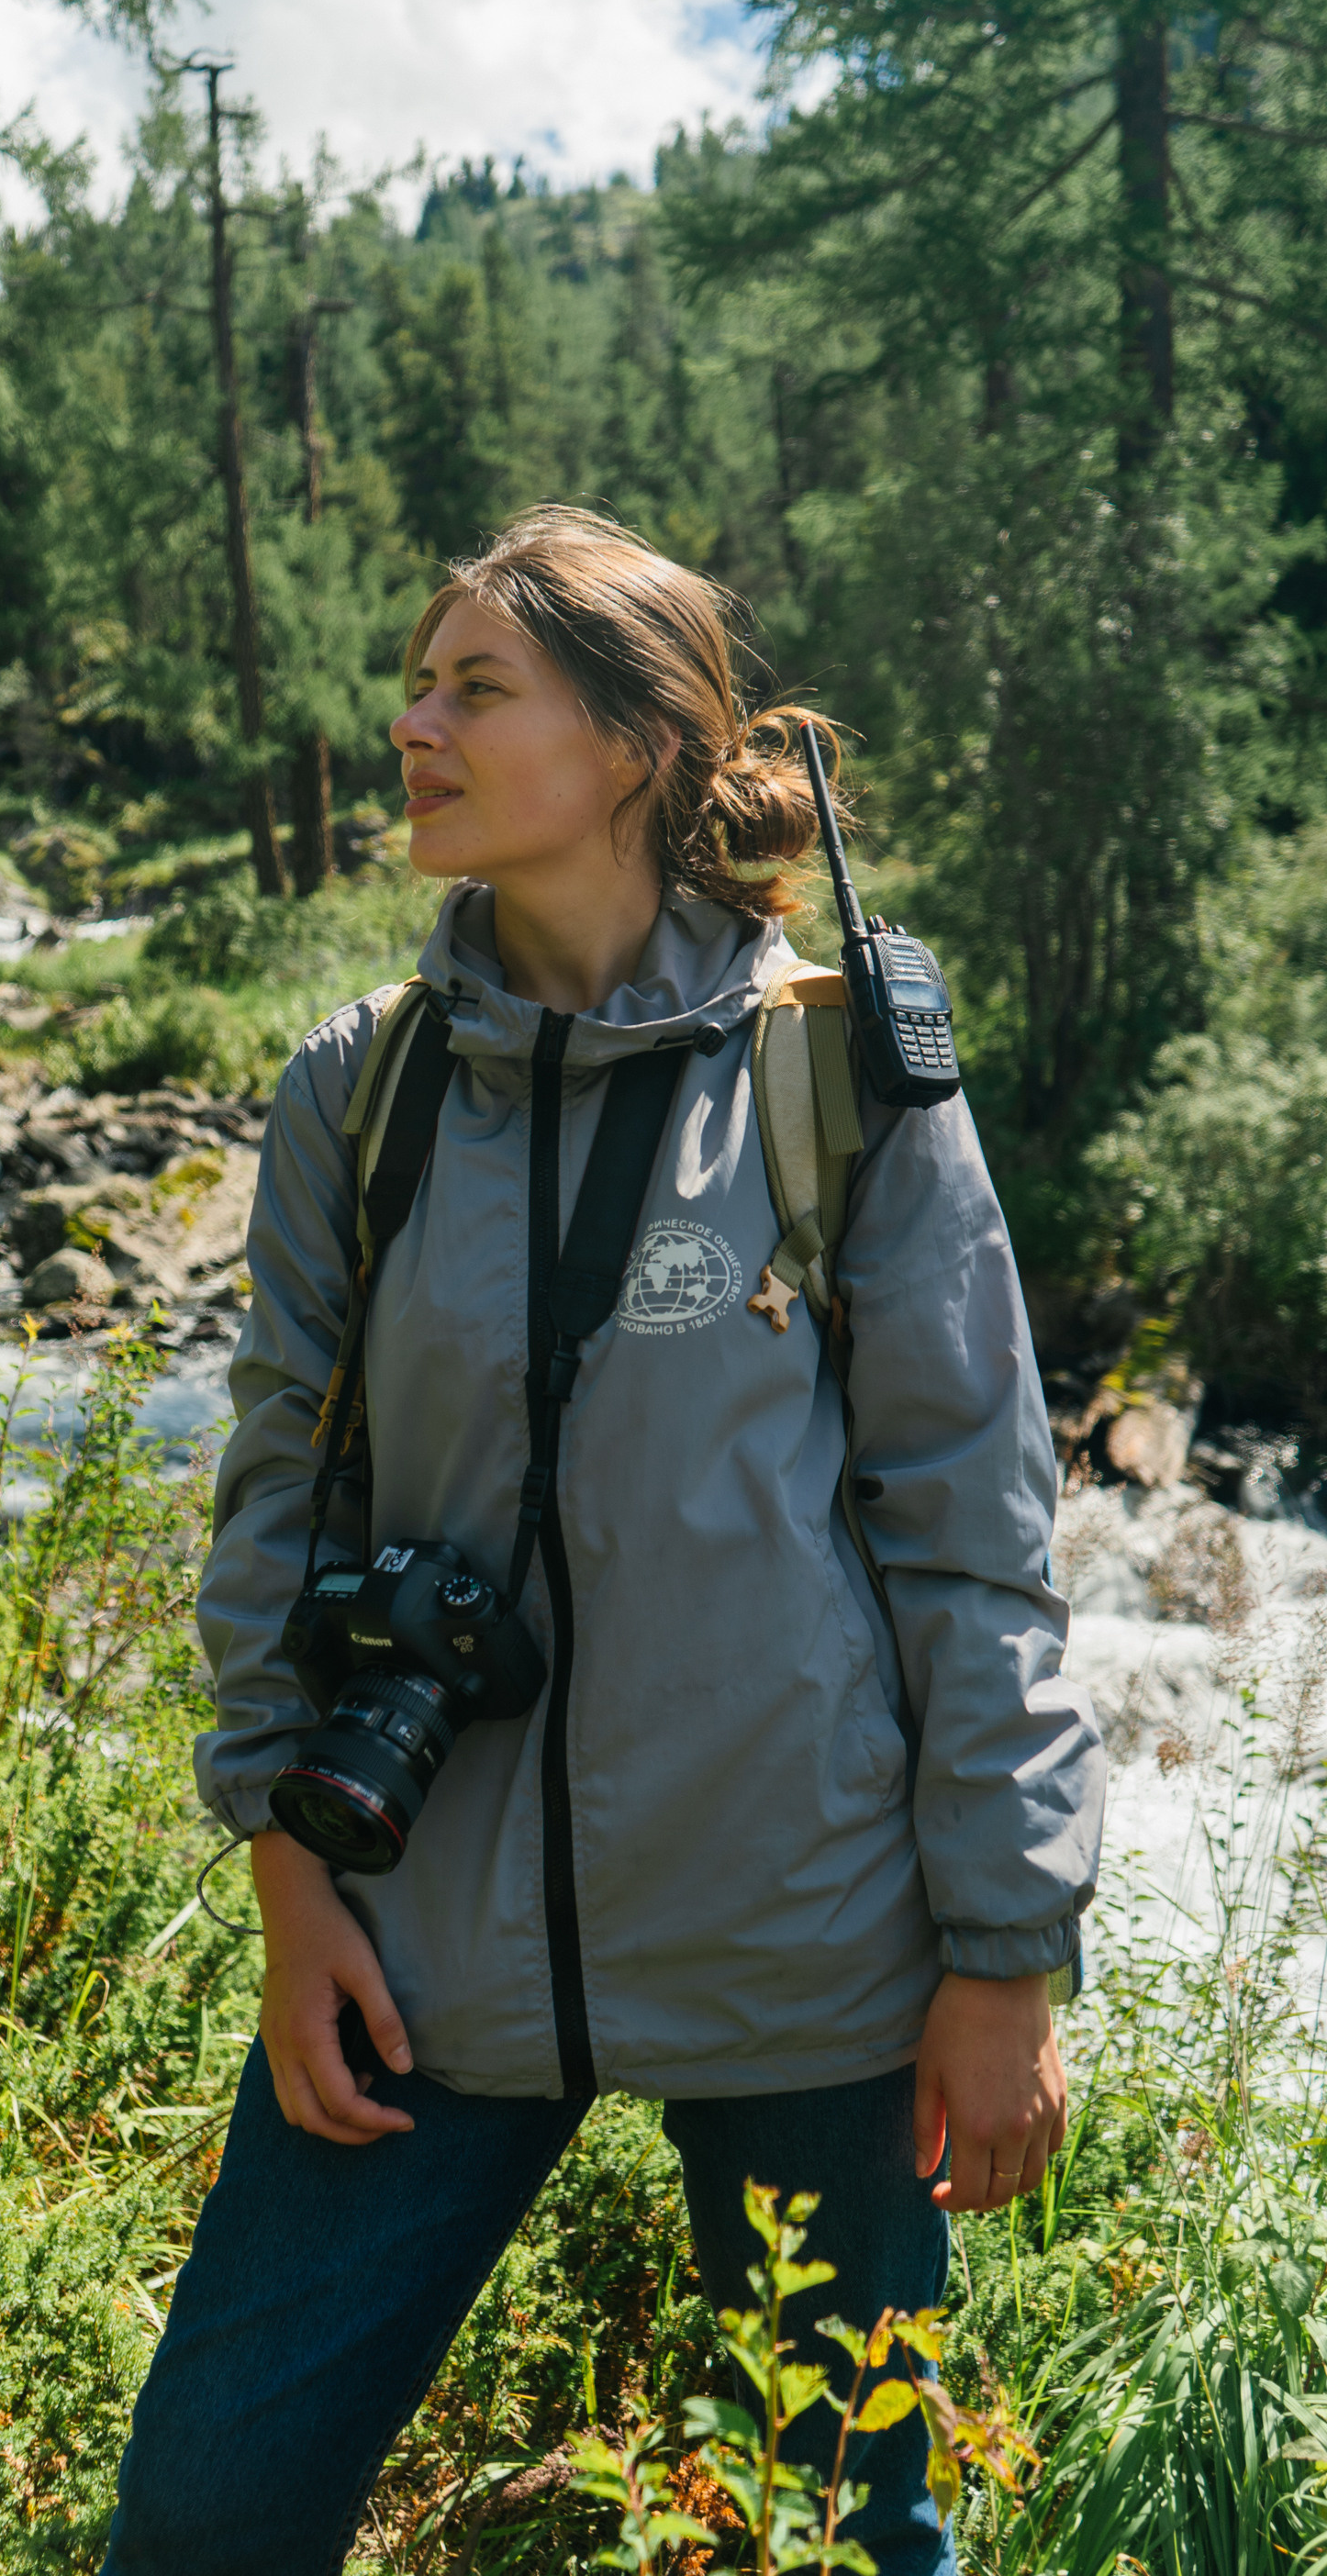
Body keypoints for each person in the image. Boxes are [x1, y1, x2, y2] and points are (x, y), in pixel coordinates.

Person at [100, 507, 1104, 2576]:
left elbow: (972, 1528)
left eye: (474, 686)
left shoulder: (839, 1072)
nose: (410, 724)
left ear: (638, 746)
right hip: (424, 1939)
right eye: (417, 678)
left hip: (812, 1943)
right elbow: (276, 1509)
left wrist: (1003, 1951)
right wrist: (293, 1885)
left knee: (841, 2534)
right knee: (204, 2513)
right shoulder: (359, 1090)